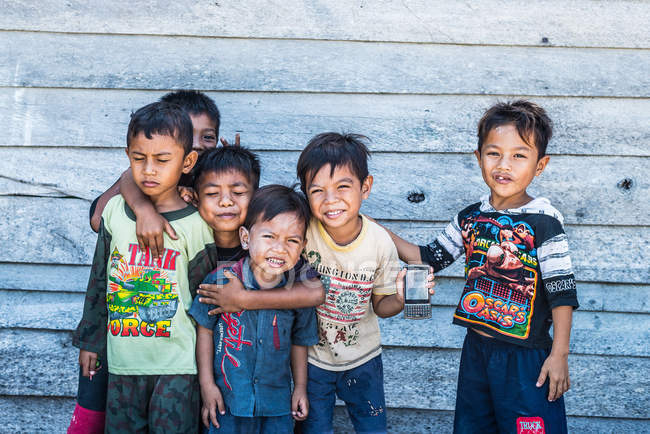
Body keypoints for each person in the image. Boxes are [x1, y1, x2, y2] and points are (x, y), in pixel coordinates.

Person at [383, 100, 579, 433]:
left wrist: (559, 355)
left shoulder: (545, 222)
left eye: (519, 155)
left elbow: (562, 291)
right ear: (478, 157)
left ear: (540, 165)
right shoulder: (469, 218)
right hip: (477, 353)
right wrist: (374, 229)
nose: (504, 165)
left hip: (525, 357)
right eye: (494, 153)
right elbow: (429, 257)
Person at [68, 90, 223, 434]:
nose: (149, 169)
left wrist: (207, 370)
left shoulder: (198, 223)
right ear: (129, 157)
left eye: (161, 160)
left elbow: (206, 299)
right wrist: (91, 342)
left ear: (188, 162)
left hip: (178, 367)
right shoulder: (114, 214)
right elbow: (98, 283)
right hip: (123, 363)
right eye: (139, 158)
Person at [295, 132, 406, 434]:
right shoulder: (304, 231)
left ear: (365, 187)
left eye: (342, 187)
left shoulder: (380, 243)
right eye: (317, 191)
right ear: (306, 194)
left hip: (363, 359)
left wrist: (400, 296)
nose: (331, 201)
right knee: (313, 428)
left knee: (373, 427)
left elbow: (382, 306)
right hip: (313, 360)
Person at [189, 184, 319, 433]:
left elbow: (300, 341)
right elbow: (204, 330)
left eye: (292, 240)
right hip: (227, 402)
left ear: (302, 247)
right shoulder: (220, 281)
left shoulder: (297, 294)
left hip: (276, 405)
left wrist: (300, 387)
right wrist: (206, 384)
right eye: (269, 236)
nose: (280, 248)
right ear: (246, 238)